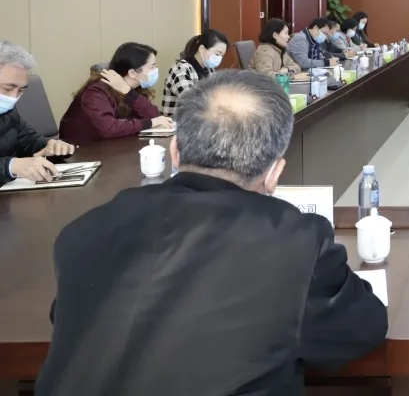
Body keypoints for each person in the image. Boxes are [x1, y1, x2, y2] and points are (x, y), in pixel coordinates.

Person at [37, 71, 388, 395]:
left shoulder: (86, 230)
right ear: (274, 174)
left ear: (174, 151)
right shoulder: (295, 240)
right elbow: (361, 329)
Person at [59, 42, 172, 145]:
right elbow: (109, 128)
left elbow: (153, 115)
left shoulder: (136, 88)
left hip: (114, 146)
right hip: (83, 150)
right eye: (152, 67)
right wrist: (150, 123)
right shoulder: (96, 91)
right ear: (132, 73)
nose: (156, 70)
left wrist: (129, 93)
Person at [0, 42, 75, 186]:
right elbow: (12, 165)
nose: (14, 97)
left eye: (20, 90)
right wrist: (11, 166)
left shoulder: (8, 111)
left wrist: (50, 146)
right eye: (8, 88)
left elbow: (29, 140)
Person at [161, 30, 229, 118]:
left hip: (200, 120)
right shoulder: (181, 69)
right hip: (177, 122)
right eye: (217, 54)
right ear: (202, 49)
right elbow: (191, 100)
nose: (219, 58)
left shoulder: (209, 70)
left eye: (222, 55)